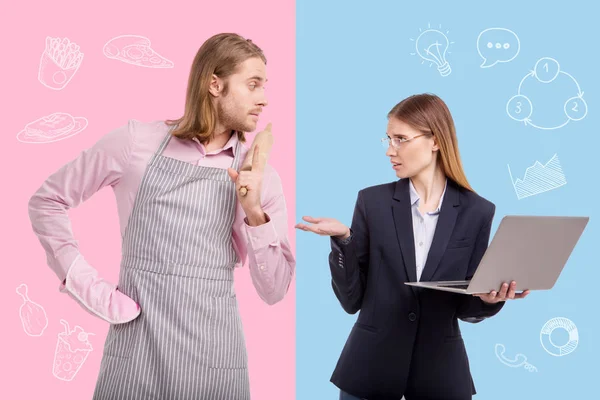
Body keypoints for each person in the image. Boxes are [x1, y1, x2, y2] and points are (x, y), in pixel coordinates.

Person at [28, 32, 295, 400]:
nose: (264, 99)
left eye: (264, 86)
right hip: (137, 355)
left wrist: (253, 212)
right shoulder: (135, 143)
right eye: (253, 85)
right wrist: (85, 284)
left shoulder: (259, 176)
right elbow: (47, 201)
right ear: (214, 84)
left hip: (215, 365)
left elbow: (274, 289)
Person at [296, 93, 529, 400]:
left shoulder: (478, 211)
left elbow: (465, 308)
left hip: (441, 374)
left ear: (434, 141)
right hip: (369, 369)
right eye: (388, 140)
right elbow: (351, 301)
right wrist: (344, 241)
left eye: (401, 139)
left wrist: (487, 299)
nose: (390, 151)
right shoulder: (372, 202)